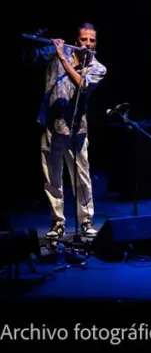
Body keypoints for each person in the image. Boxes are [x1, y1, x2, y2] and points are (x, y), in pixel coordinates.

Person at [25, 23, 107, 239]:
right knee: (52, 178)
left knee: (82, 177)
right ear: (77, 40)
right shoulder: (58, 52)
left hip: (77, 130)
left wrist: (62, 58)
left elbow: (82, 85)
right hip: (52, 127)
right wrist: (34, 42)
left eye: (92, 40)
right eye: (83, 40)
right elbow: (32, 59)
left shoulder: (98, 68)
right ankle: (58, 222)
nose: (88, 44)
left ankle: (86, 221)